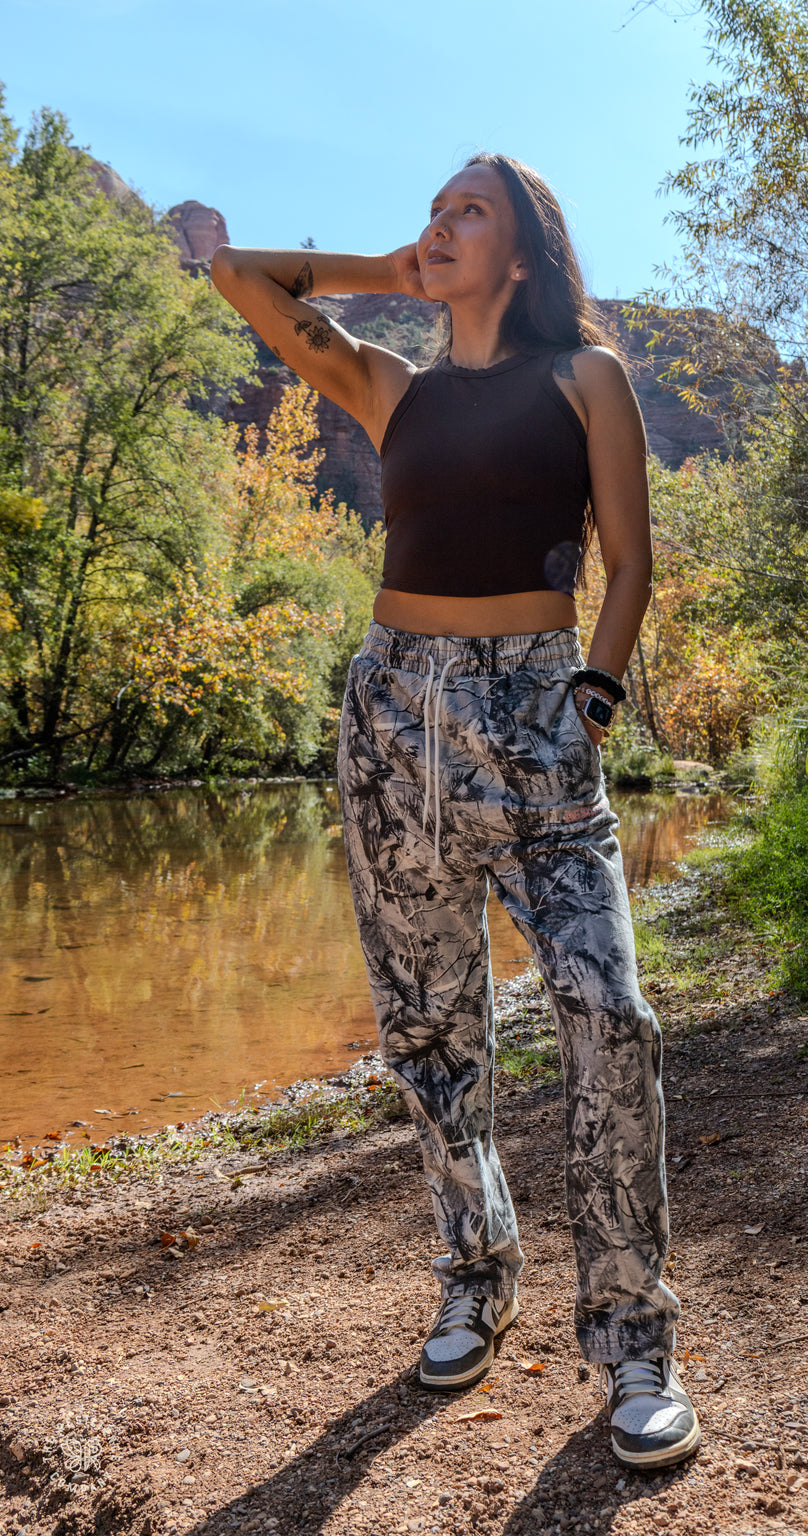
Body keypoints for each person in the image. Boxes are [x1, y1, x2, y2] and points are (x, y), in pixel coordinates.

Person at [210, 153, 700, 1470]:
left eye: (467, 210)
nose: (441, 223)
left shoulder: (582, 376)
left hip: (540, 709)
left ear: (526, 247)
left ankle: (634, 1338)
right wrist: (393, 267)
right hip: (393, 718)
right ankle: (479, 1274)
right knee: (431, 1030)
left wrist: (590, 699)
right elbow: (240, 281)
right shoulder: (391, 386)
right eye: (433, 209)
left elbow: (630, 553)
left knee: (611, 1011)